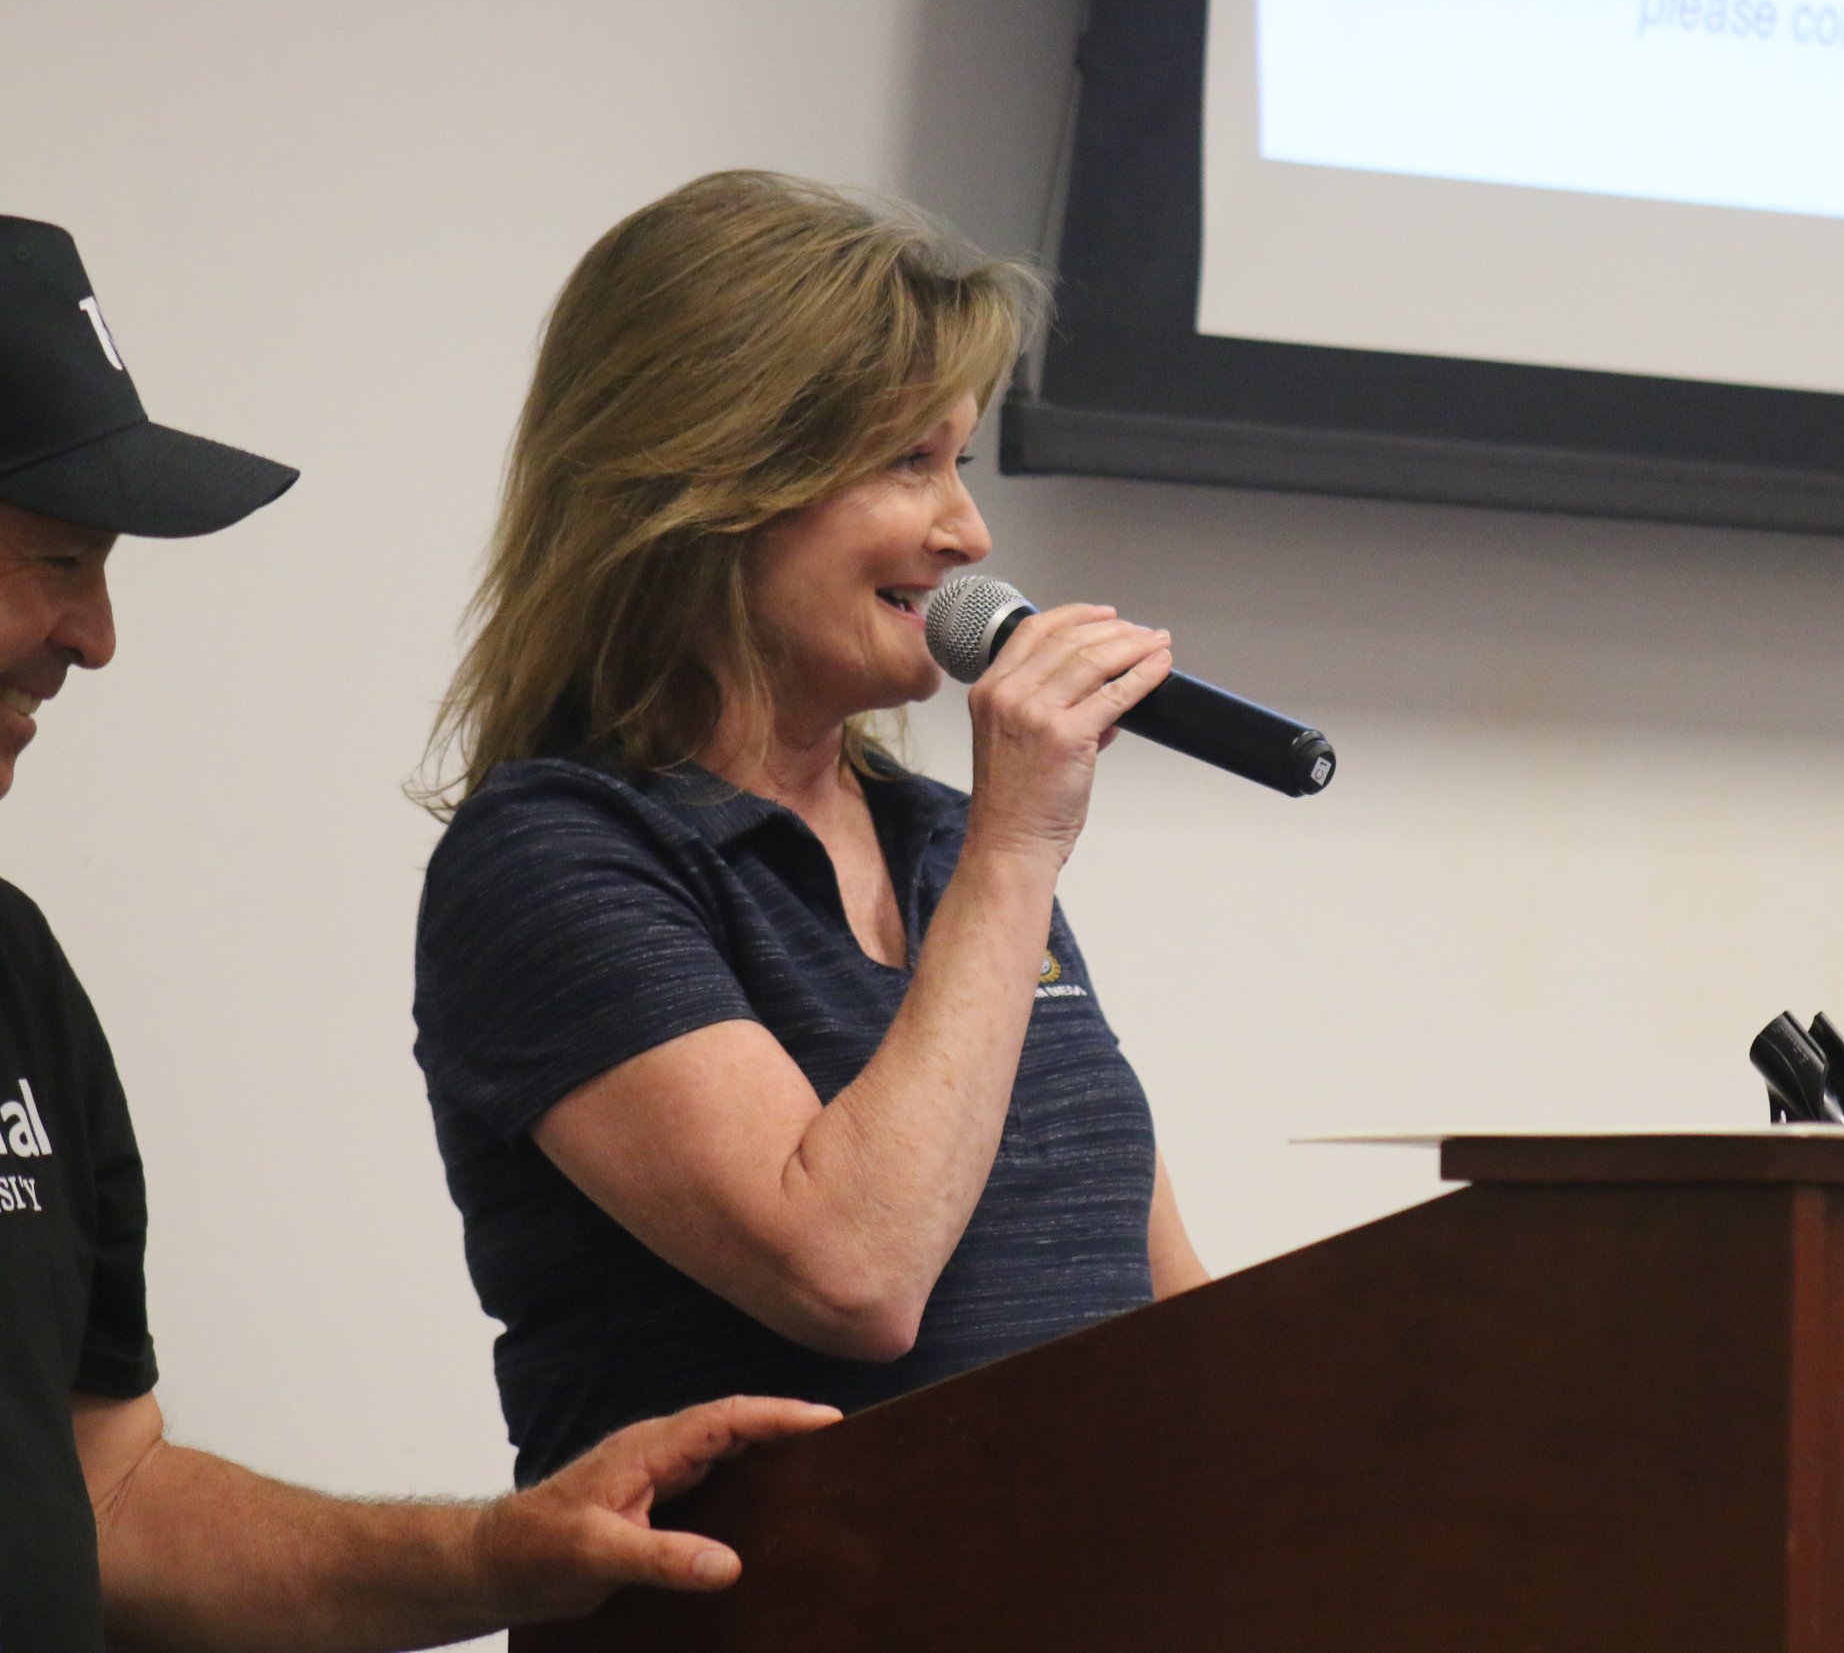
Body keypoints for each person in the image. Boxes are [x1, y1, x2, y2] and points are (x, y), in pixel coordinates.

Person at [0, 213, 840, 1653]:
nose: (96, 637)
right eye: (62, 558)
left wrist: (504, 1556)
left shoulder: (12, 968)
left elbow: (110, 1494)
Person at [413, 170, 1209, 1488]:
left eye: (958, 460)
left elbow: (1166, 1301)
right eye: (909, 462)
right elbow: (854, 1273)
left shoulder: (949, 844)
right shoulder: (556, 857)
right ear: (714, 479)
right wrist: (1020, 849)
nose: (970, 531)